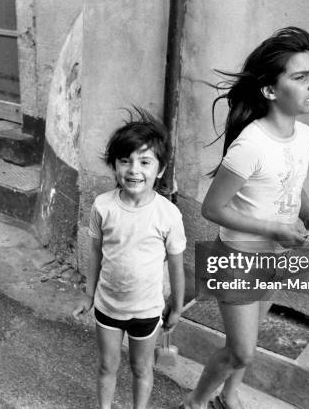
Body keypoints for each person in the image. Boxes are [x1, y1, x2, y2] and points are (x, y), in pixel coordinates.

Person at [182, 27, 309, 409]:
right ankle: (195, 403)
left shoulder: (304, 136)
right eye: (300, 77)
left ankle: (228, 397)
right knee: (241, 352)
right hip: (238, 259)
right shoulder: (250, 144)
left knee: (251, 337)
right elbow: (212, 209)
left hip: (272, 258)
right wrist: (275, 228)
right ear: (270, 90)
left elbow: (291, 180)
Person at [73, 109, 186, 409]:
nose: (134, 169)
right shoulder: (103, 206)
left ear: (160, 170)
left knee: (141, 369)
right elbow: (96, 252)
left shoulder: (168, 214)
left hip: (147, 311)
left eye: (145, 162)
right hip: (108, 306)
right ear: (114, 166)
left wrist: (176, 305)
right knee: (107, 366)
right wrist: (88, 294)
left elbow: (176, 263)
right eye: (125, 160)